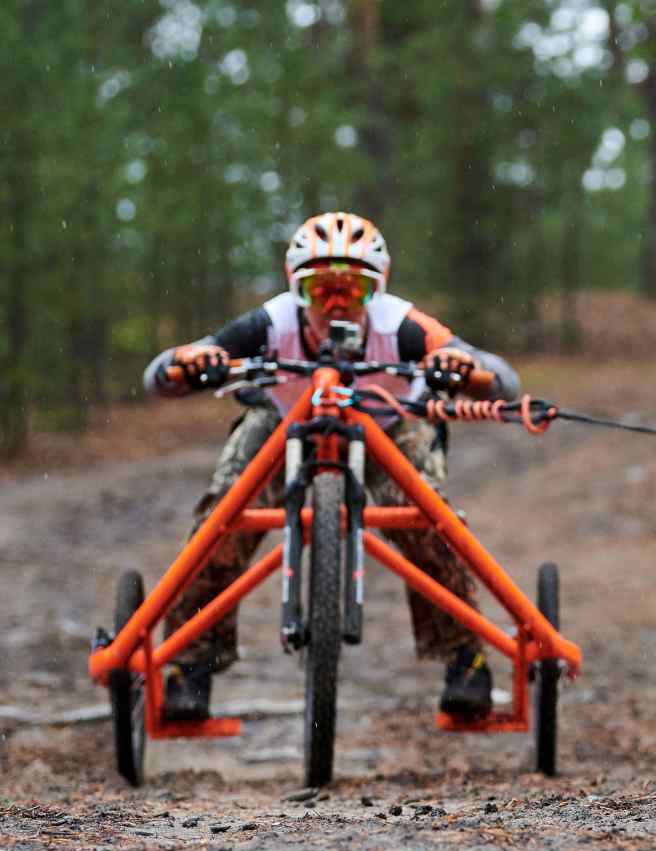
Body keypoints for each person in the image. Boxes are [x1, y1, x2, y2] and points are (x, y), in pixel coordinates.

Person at [143, 211, 520, 721]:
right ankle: (189, 665)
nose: (337, 305)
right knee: (223, 515)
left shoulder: (402, 325)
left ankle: (465, 658)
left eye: (355, 291)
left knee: (430, 520)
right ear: (296, 289)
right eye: (322, 291)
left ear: (378, 290)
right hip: (285, 423)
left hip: (388, 426)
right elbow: (162, 376)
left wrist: (463, 371)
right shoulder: (269, 324)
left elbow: (502, 380)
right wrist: (190, 362)